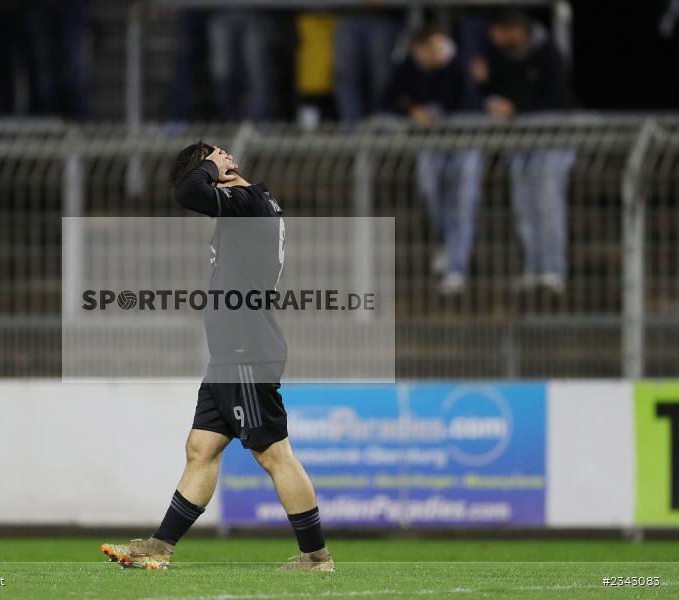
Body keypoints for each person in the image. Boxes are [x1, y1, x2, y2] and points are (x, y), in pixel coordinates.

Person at [100, 143, 335, 572]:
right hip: (232, 351)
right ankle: (161, 546)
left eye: (213, 171)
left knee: (273, 454)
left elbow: (189, 192)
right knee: (200, 448)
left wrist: (211, 166)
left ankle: (316, 556)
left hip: (245, 347)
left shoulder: (246, 202)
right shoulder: (252, 204)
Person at [473, 11, 574, 293]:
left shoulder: (548, 53)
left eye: (500, 31)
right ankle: (534, 267)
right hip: (519, 143)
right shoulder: (500, 55)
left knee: (548, 207)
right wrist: (482, 82)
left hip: (551, 142)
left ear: (516, 29)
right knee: (525, 209)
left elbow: (558, 100)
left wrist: (517, 109)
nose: (495, 39)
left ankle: (553, 270)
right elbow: (492, 95)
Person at [386, 25, 482, 294]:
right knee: (432, 194)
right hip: (431, 144)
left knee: (462, 205)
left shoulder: (457, 64)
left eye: (440, 46)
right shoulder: (408, 67)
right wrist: (412, 110)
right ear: (418, 50)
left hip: (464, 142)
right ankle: (445, 243)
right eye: (430, 49)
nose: (436, 53)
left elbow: (471, 101)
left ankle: (456, 268)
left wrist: (448, 68)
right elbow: (389, 99)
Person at [334, 8, 403, 121]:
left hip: (384, 15)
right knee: (345, 74)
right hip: (347, 13)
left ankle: (382, 125)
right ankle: (351, 128)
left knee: (383, 76)